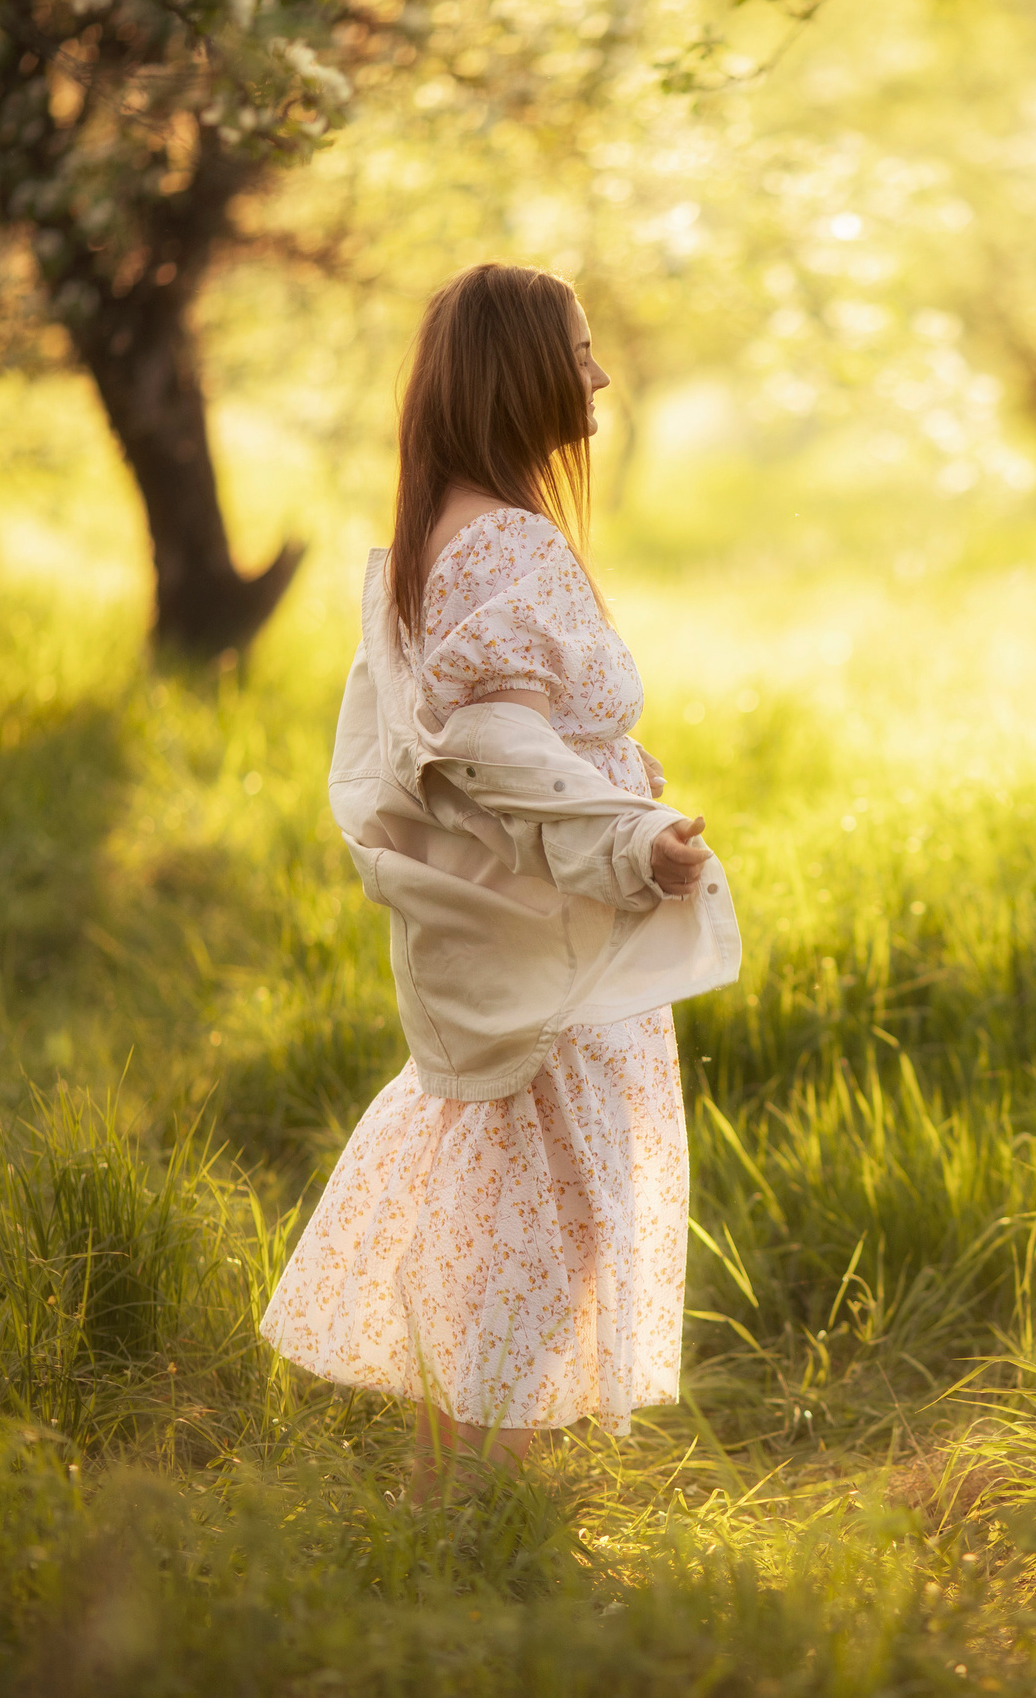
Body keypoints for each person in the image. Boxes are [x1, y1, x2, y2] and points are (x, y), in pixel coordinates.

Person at [260, 263, 740, 1499]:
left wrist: (608, 780)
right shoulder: (509, 545)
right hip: (564, 949)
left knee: (501, 1235)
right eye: (577, 350)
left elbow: (477, 748)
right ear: (517, 370)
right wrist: (631, 839)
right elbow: (499, 751)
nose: (597, 373)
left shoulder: (441, 532)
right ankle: (486, 1531)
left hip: (523, 937)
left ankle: (446, 1521)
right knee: (553, 1243)